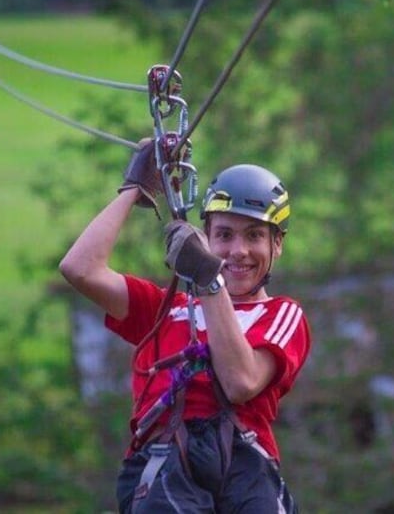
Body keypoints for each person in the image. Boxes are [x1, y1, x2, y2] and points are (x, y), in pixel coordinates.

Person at [59, 139, 311, 513]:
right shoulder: (165, 309)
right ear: (206, 237)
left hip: (243, 462)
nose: (238, 250)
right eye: (224, 235)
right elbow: (80, 268)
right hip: (164, 461)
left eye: (254, 235)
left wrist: (209, 281)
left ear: (278, 245)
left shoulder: (282, 315)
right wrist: (134, 189)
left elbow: (241, 383)